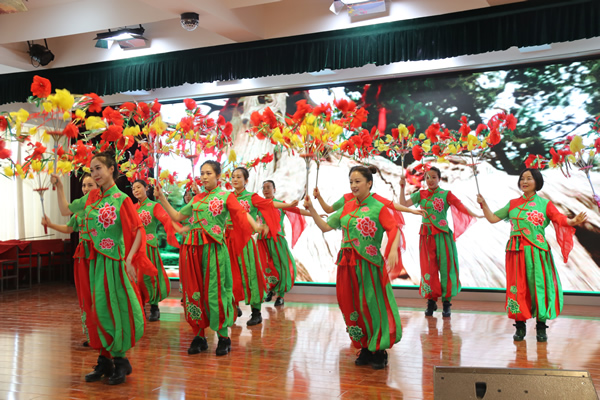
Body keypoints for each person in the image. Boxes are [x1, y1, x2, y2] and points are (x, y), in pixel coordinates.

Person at [51, 152, 155, 385]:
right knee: (96, 310)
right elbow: (66, 210)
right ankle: (105, 360)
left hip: (113, 263)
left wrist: (130, 259)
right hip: (93, 262)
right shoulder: (91, 197)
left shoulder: (121, 199)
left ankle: (120, 360)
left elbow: (138, 230)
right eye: (92, 169)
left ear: (111, 170)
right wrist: (59, 186)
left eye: (98, 168)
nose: (95, 173)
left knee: (114, 309)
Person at [154, 160, 264, 356]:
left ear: (218, 176)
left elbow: (242, 213)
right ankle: (199, 336)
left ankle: (223, 337)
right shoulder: (197, 199)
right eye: (202, 173)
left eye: (208, 173)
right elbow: (178, 217)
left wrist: (255, 227)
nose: (204, 177)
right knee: (193, 292)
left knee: (216, 292)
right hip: (192, 251)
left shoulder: (226, 196)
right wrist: (162, 198)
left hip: (214, 250)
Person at [303, 165, 406, 370]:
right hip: (347, 263)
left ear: (369, 183)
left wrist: (393, 249)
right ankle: (365, 346)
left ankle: (379, 349)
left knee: (372, 304)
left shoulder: (378, 207)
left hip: (369, 264)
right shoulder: (347, 206)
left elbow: (394, 228)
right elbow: (326, 226)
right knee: (351, 304)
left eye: (358, 181)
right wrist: (312, 209)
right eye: (351, 182)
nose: (353, 185)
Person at [477, 168, 587, 342]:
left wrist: (573, 221)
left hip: (537, 251)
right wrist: (484, 204)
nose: (524, 181)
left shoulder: (545, 204)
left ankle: (541, 326)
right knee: (517, 288)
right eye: (522, 178)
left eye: (529, 178)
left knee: (539, 287)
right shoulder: (512, 204)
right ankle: (519, 326)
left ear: (537, 182)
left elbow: (559, 219)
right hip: (515, 252)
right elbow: (492, 218)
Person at [398, 166, 480, 317]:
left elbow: (461, 207)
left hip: (443, 235)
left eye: (434, 177)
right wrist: (402, 187)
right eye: (427, 177)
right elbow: (403, 205)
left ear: (439, 179)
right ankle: (431, 301)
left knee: (446, 268)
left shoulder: (446, 194)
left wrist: (478, 214)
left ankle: (447, 303)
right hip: (426, 235)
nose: (430, 180)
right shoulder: (421, 194)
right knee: (428, 269)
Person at [227, 167, 298, 325]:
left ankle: (256, 312)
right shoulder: (227, 197)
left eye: (239, 177)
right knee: (230, 276)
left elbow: (270, 204)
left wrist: (289, 205)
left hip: (245, 241)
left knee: (251, 275)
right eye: (233, 177)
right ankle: (234, 306)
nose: (235, 179)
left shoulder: (252, 197)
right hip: (229, 241)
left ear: (246, 180)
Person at [42, 173, 98, 348]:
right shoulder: (81, 208)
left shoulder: (105, 206)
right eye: (84, 185)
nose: (86, 189)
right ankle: (92, 334)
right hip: (83, 255)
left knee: (100, 295)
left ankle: (105, 334)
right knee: (85, 295)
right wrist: (51, 224)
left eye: (90, 185)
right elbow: (68, 227)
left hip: (101, 254)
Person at [131, 179, 181, 321]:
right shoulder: (132, 208)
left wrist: (179, 229)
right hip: (135, 248)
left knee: (149, 278)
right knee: (136, 279)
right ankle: (140, 308)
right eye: (133, 188)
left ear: (146, 188)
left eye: (139, 187)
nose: (136, 190)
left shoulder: (154, 206)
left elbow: (167, 220)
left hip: (148, 247)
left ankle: (154, 307)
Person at [258, 179, 309, 307]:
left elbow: (296, 211)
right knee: (265, 266)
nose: (266, 190)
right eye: (264, 188)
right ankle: (270, 288)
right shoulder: (259, 205)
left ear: (274, 189)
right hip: (263, 240)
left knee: (282, 267)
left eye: (269, 187)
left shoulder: (281, 205)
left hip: (277, 239)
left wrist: (314, 214)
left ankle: (280, 295)